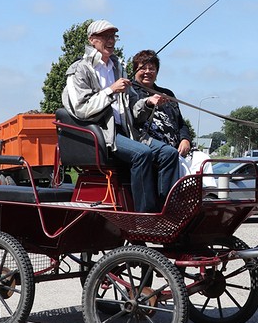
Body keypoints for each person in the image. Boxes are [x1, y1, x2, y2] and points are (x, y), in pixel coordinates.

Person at [62, 20, 179, 213]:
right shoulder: (79, 70)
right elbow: (81, 108)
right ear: (92, 40)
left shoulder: (118, 67)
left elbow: (133, 108)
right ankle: (144, 216)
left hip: (128, 131)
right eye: (105, 36)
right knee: (142, 154)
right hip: (103, 133)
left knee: (169, 153)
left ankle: (165, 209)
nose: (110, 41)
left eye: (113, 37)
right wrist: (111, 90)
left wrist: (148, 103)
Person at [131, 49, 213, 180]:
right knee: (177, 162)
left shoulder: (167, 94)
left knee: (204, 159)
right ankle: (178, 197)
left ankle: (202, 196)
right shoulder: (130, 92)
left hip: (177, 147)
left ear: (157, 72)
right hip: (153, 146)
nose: (147, 72)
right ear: (135, 70)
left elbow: (181, 123)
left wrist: (185, 139)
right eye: (142, 68)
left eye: (151, 68)